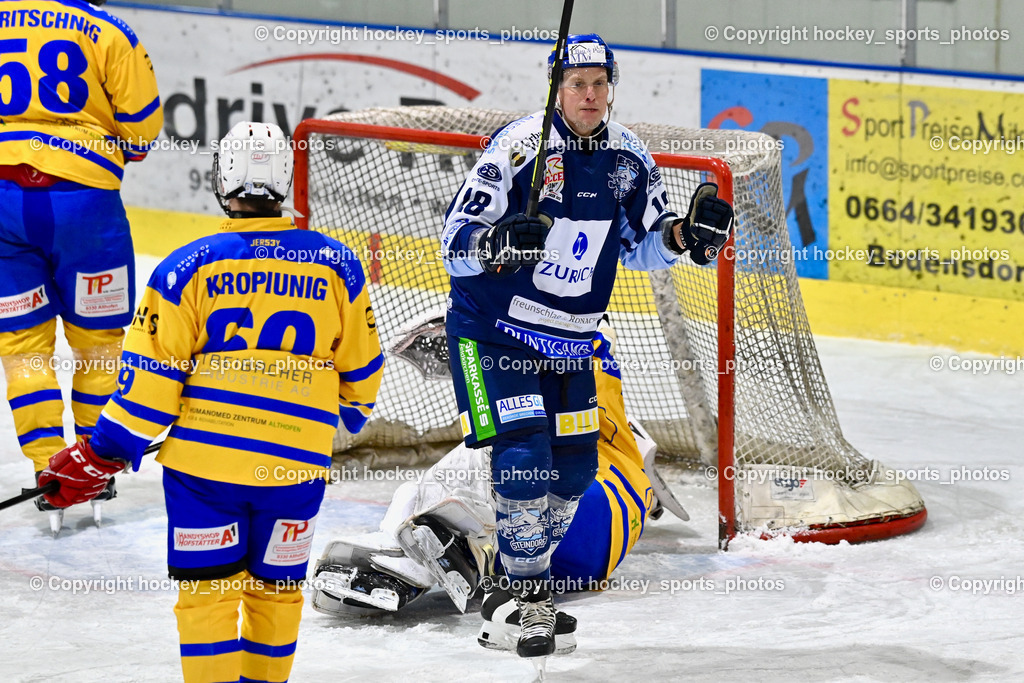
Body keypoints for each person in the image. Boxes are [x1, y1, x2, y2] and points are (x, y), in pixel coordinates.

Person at [36, 121, 385, 683]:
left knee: (208, 600)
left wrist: (101, 453)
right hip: (295, 469)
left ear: (223, 181)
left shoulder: (185, 266)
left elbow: (150, 384)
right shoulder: (336, 264)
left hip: (204, 473)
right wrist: (338, 417)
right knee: (277, 597)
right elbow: (363, 367)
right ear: (286, 182)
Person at [438, 33, 733, 657]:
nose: (591, 94)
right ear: (556, 89)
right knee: (524, 455)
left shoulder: (628, 158)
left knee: (572, 471)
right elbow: (453, 242)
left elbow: (641, 244)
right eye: (578, 84)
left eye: (600, 83)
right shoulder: (518, 148)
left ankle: (511, 581)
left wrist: (684, 235)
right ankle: (525, 596)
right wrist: (493, 245)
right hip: (495, 332)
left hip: (572, 341)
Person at [310, 322, 687, 657]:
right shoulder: (627, 454)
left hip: (572, 513)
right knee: (529, 457)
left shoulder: (571, 348)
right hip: (591, 557)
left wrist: (475, 335)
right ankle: (477, 555)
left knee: (505, 445)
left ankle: (414, 550)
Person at [0, 0, 163, 530]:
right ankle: (92, 469)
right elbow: (142, 128)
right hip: (84, 205)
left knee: (23, 346)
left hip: (2, 200)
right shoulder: (108, 28)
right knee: (99, 341)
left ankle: (47, 465)